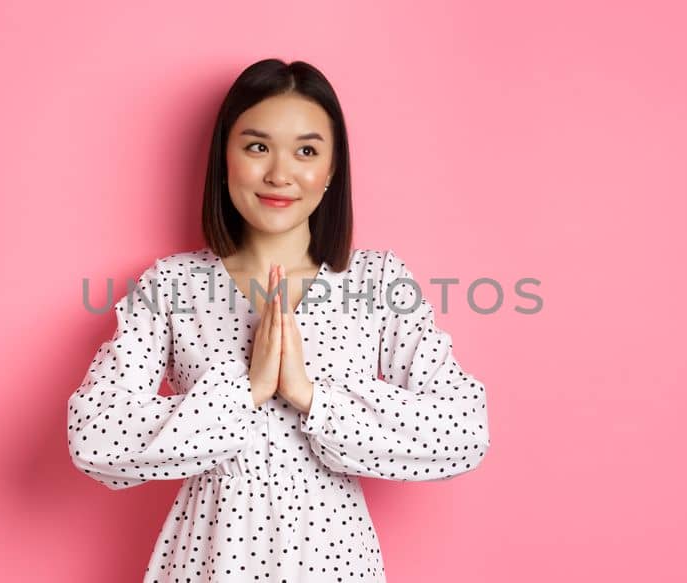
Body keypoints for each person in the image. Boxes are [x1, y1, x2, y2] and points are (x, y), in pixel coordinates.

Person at [66, 58, 490, 582]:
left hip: (334, 566)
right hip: (210, 563)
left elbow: (464, 430)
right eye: (257, 146)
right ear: (226, 157)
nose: (279, 174)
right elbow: (93, 440)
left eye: (307, 151)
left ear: (333, 169)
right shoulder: (170, 285)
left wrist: (311, 396)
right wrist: (245, 391)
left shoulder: (378, 281)